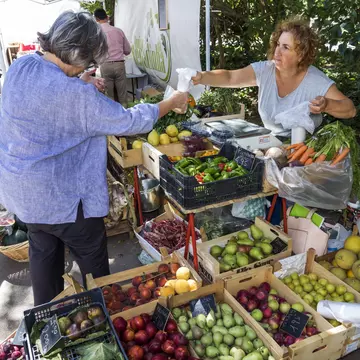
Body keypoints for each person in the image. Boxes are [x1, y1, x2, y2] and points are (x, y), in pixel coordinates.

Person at [0, 10, 188, 306]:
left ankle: (46, 322)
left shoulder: (21, 66)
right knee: (95, 269)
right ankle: (102, 315)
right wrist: (170, 102)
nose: (86, 68)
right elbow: (129, 121)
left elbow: (48, 100)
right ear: (77, 54)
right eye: (87, 63)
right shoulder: (75, 95)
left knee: (43, 255)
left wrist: (80, 81)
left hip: (26, 196)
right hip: (65, 198)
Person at [192, 18, 356, 137]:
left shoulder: (315, 80)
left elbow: (350, 109)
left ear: (301, 54)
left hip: (306, 152)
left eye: (286, 47)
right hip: (272, 145)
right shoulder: (265, 70)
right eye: (278, 44)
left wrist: (326, 104)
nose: (277, 51)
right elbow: (229, 78)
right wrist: (201, 77)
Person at [94, 8, 131, 106]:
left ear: (96, 19)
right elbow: (128, 50)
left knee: (109, 96)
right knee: (122, 95)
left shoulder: (96, 34)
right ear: (107, 17)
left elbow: (94, 53)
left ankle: (113, 117)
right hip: (119, 65)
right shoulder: (118, 31)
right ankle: (126, 115)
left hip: (105, 65)